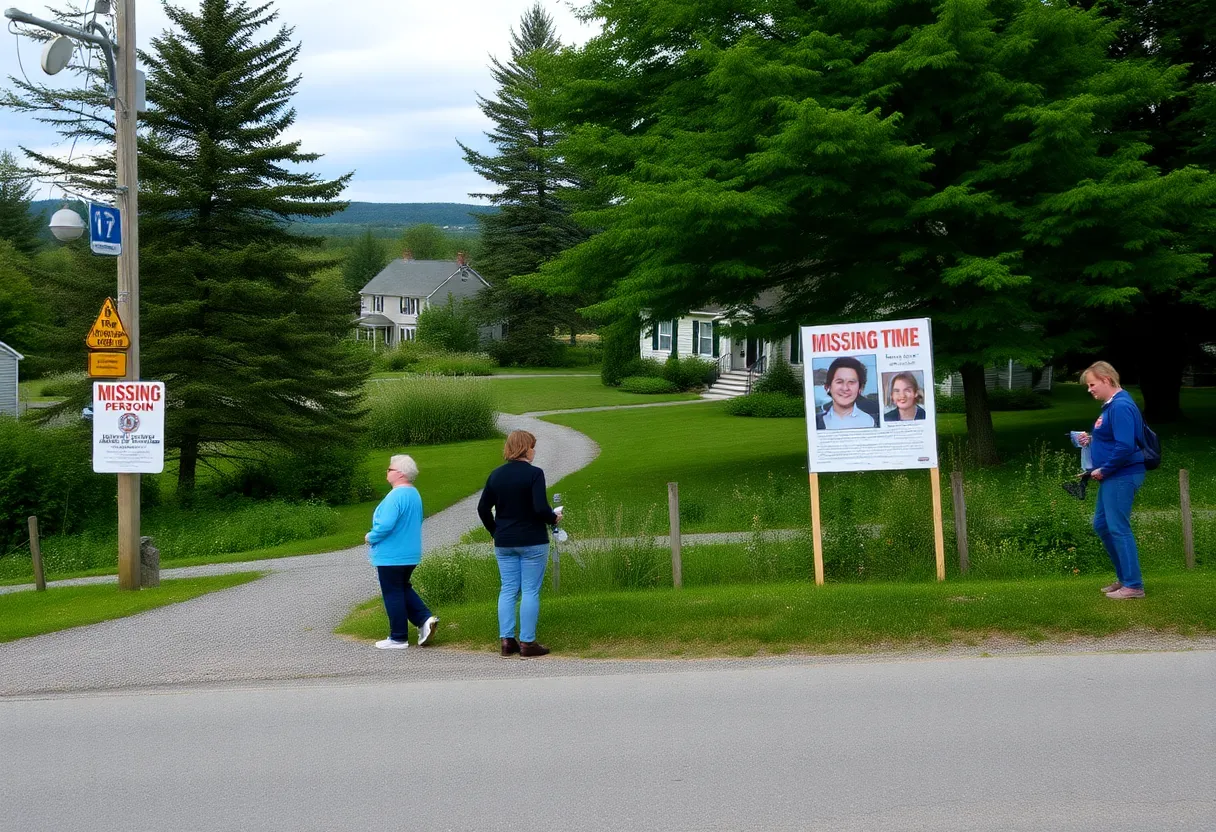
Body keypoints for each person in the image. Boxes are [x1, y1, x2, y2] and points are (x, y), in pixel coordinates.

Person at [477, 430, 562, 657]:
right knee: (530, 590)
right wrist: (553, 518)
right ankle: (527, 642)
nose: (535, 451)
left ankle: (507, 641)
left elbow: (483, 508)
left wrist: (496, 531)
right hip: (532, 540)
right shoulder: (534, 474)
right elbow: (539, 507)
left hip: (504, 542)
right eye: (533, 447)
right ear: (526, 448)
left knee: (508, 589)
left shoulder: (496, 475)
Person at [1074, 362, 1147, 600]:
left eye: (1092, 384)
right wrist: (1092, 439)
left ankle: (1133, 586)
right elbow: (1114, 437)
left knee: (1118, 528)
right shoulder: (1112, 406)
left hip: (1122, 474)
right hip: (1114, 474)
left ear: (1106, 379)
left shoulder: (1121, 405)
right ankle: (1125, 578)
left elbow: (1126, 445)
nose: (1090, 389)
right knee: (1102, 525)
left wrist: (1104, 469)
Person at [365, 454, 440, 648]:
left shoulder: (396, 496)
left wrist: (370, 537)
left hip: (392, 554)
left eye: (389, 469)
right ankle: (425, 620)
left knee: (392, 592)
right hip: (410, 552)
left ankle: (398, 636)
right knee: (402, 588)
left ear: (400, 473)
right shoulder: (413, 494)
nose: (387, 472)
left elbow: (385, 525)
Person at [815, 356, 878, 430]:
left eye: (851, 382)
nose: (845, 388)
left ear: (860, 388)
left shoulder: (872, 421)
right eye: (839, 382)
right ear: (828, 387)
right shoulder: (816, 422)